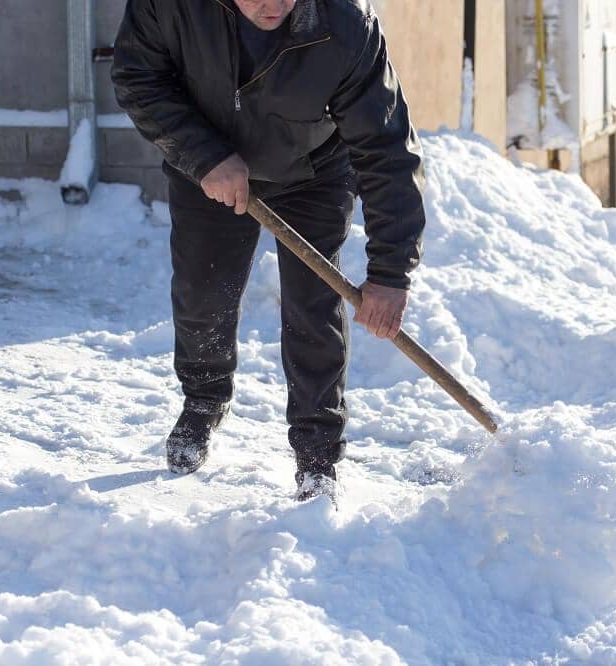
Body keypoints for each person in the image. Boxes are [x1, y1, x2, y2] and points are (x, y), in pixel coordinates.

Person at [111, 0, 426, 504]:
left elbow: (386, 150)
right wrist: (205, 155)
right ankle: (203, 401)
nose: (273, 3)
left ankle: (317, 453)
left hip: (313, 171)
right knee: (202, 295)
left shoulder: (345, 24)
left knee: (313, 306)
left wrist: (390, 273)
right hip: (209, 168)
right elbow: (138, 75)